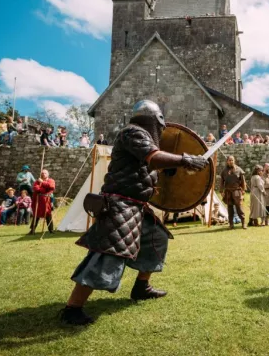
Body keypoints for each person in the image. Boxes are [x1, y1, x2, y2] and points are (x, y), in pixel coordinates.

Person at [61, 100, 208, 326]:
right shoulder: (133, 133)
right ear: (155, 120)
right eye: (160, 125)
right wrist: (184, 159)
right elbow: (154, 157)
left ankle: (141, 288)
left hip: (136, 207)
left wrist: (174, 167)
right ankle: (73, 308)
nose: (161, 130)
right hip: (120, 206)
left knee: (156, 239)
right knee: (106, 254)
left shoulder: (141, 139)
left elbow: (149, 166)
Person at [220, 155, 246, 229]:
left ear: (234, 161)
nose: (231, 161)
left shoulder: (239, 170)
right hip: (228, 192)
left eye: (232, 160)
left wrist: (243, 190)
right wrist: (221, 191)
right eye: (229, 160)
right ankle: (231, 224)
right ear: (227, 161)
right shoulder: (224, 171)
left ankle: (243, 223)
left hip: (237, 191)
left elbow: (243, 181)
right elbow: (222, 182)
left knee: (239, 208)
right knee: (230, 208)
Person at [30, 170, 55, 234]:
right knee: (36, 214)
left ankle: (51, 230)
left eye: (45, 173)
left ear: (48, 174)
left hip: (46, 200)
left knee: (48, 214)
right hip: (38, 200)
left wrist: (43, 182)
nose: (43, 174)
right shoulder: (37, 181)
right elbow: (36, 188)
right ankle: (32, 230)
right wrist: (44, 189)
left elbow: (51, 186)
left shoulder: (51, 180)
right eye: (42, 173)